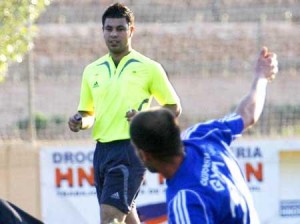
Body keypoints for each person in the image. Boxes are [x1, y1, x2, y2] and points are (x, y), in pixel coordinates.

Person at [129, 47, 278, 223]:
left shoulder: (186, 201)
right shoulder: (201, 136)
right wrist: (261, 77)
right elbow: (247, 114)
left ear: (145, 155)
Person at [68, 3, 181, 224]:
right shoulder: (92, 70)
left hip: (131, 150)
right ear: (102, 31)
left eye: (120, 28)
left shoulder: (149, 68)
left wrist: (144, 121)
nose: (113, 34)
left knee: (110, 217)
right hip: (102, 152)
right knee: (127, 217)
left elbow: (173, 107)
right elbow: (88, 113)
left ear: (131, 30)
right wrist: (80, 122)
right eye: (108, 29)